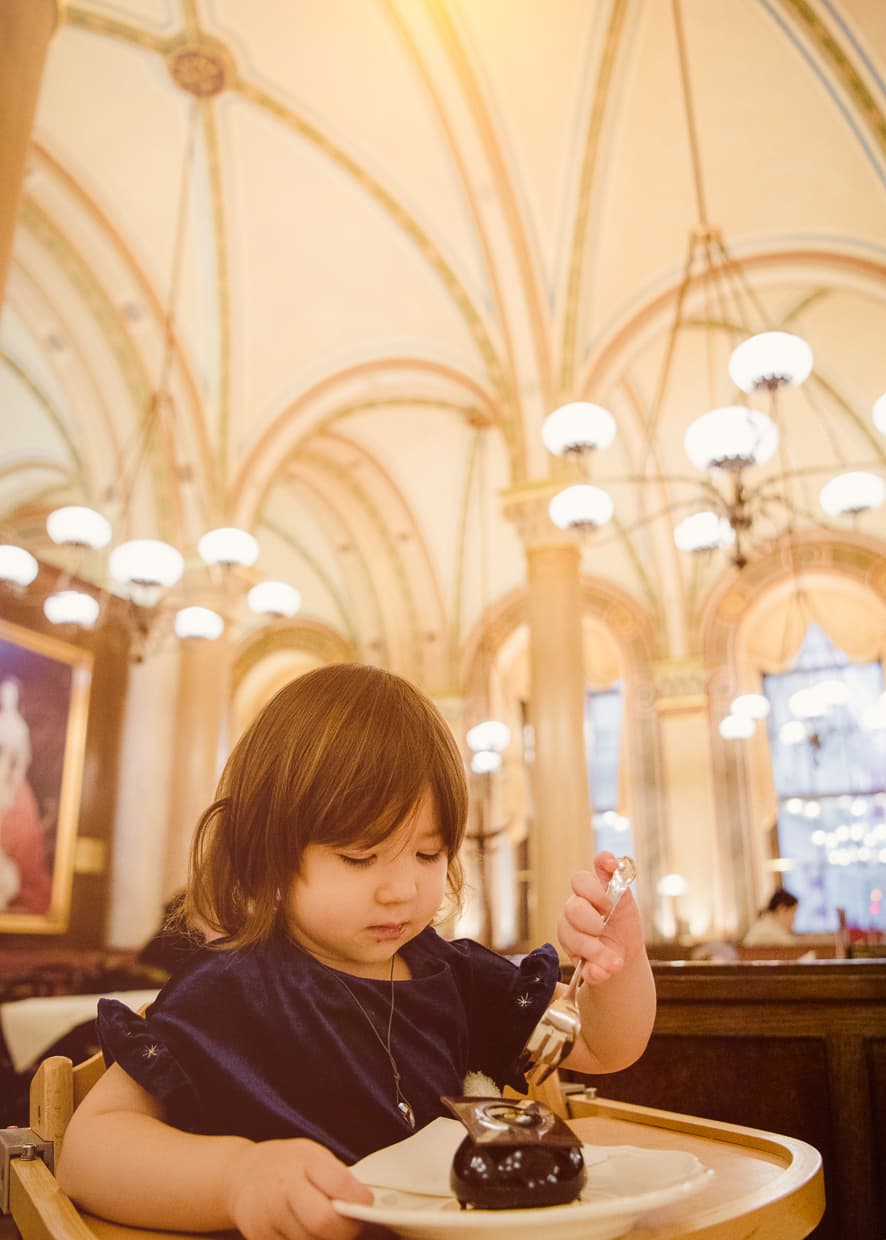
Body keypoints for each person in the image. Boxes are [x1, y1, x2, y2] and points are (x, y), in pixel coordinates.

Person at [58, 664, 656, 1240]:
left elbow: (605, 1044)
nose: (402, 889)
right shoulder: (232, 989)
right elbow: (90, 1152)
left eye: (428, 854)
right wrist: (236, 1180)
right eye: (359, 857)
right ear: (265, 852)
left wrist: (619, 960)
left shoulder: (452, 974)